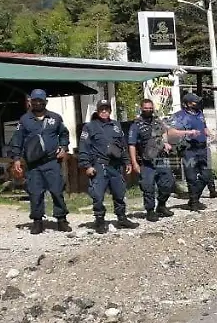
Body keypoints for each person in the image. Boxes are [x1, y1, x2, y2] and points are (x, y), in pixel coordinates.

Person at [9, 89, 72, 235]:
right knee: (35, 193)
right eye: (35, 100)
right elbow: (17, 140)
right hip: (33, 164)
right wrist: (16, 159)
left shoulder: (55, 118)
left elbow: (64, 134)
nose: (37, 103)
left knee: (57, 191)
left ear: (45, 102)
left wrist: (63, 148)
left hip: (51, 162)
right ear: (31, 101)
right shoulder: (24, 120)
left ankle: (61, 220)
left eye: (40, 100)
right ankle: (37, 222)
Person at [79, 100, 138, 234]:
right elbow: (84, 147)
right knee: (98, 196)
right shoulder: (90, 127)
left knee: (119, 193)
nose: (104, 111)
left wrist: (127, 161)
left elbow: (122, 145)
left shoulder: (116, 125)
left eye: (106, 109)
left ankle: (122, 218)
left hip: (115, 166)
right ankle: (100, 221)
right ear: (97, 111)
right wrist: (87, 165)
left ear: (110, 110)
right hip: (99, 166)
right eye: (101, 109)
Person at [128, 99, 177, 222]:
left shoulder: (157, 122)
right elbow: (132, 145)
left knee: (168, 183)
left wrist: (166, 143)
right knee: (148, 187)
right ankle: (150, 211)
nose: (148, 110)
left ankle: (161, 205)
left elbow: (164, 134)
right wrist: (134, 163)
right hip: (146, 162)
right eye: (146, 108)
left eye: (150, 108)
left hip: (161, 159)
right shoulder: (136, 125)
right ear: (141, 108)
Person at [172, 93, 211, 211]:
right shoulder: (179, 116)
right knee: (192, 177)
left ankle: (193, 198)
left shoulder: (200, 114)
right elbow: (172, 132)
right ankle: (194, 202)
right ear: (188, 104)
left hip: (202, 148)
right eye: (195, 102)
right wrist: (188, 132)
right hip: (188, 149)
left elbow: (204, 128)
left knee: (206, 176)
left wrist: (210, 133)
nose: (197, 103)